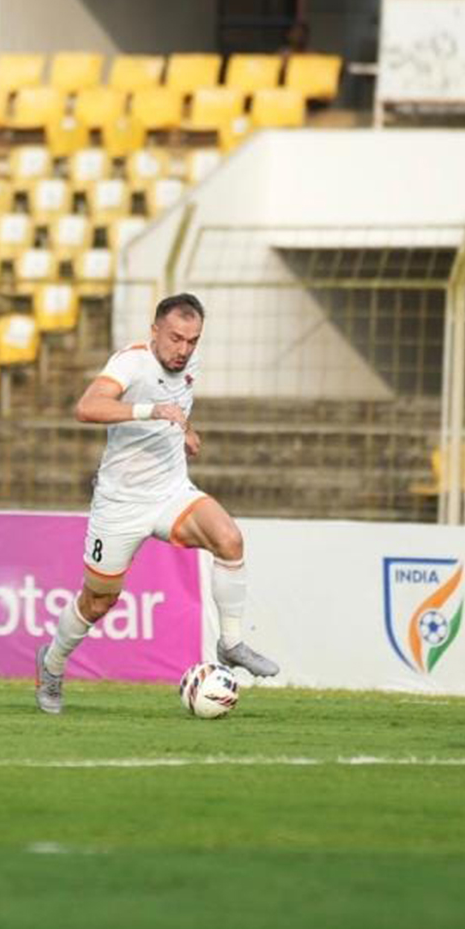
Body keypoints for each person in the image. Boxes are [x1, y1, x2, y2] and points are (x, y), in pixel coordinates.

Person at [34, 292, 278, 714]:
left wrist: (184, 431)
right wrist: (151, 411)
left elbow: (176, 406)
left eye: (192, 341)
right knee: (98, 601)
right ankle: (52, 664)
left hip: (170, 492)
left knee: (230, 540)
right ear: (154, 332)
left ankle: (231, 642)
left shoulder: (188, 365)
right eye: (175, 338)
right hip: (120, 504)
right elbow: (87, 408)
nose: (183, 350)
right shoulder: (131, 361)